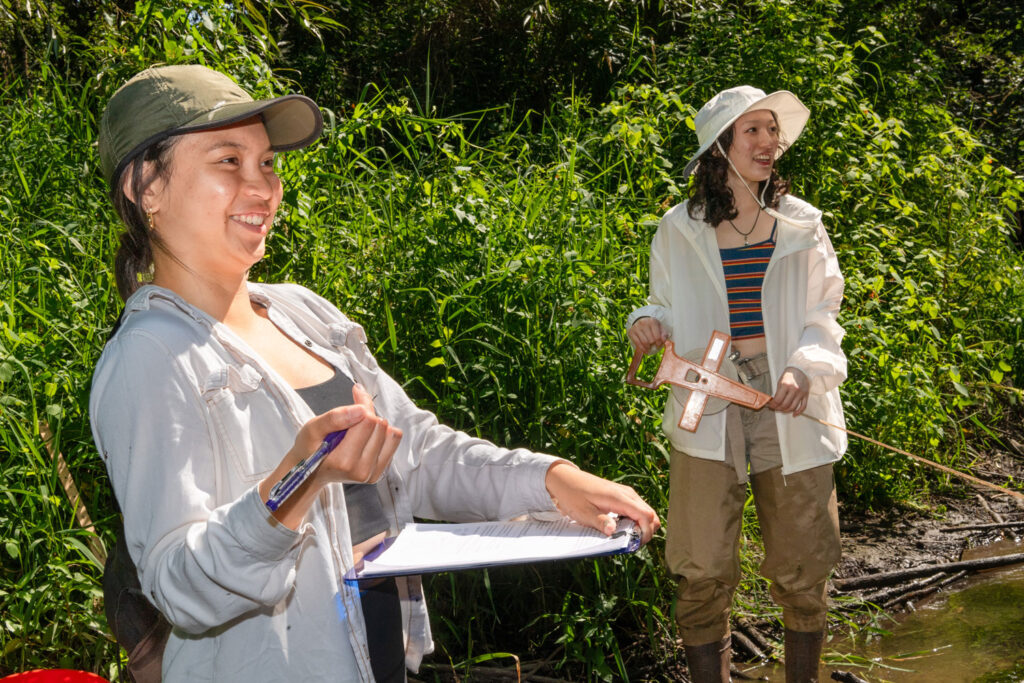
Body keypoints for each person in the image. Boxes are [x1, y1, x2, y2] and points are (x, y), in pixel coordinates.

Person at [90, 64, 660, 683]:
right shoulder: (150, 358)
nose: (262, 187)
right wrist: (297, 480)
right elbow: (181, 588)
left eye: (268, 164)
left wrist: (551, 480)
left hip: (379, 658)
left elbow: (412, 452)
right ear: (147, 187)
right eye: (228, 161)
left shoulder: (302, 312)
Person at [626, 86, 847, 683]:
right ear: (720, 147)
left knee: (803, 560)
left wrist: (804, 368)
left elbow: (823, 315)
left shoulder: (803, 225)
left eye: (772, 130)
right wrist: (646, 325)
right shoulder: (679, 229)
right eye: (752, 130)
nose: (768, 142)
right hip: (709, 401)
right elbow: (665, 306)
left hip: (790, 401)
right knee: (700, 565)